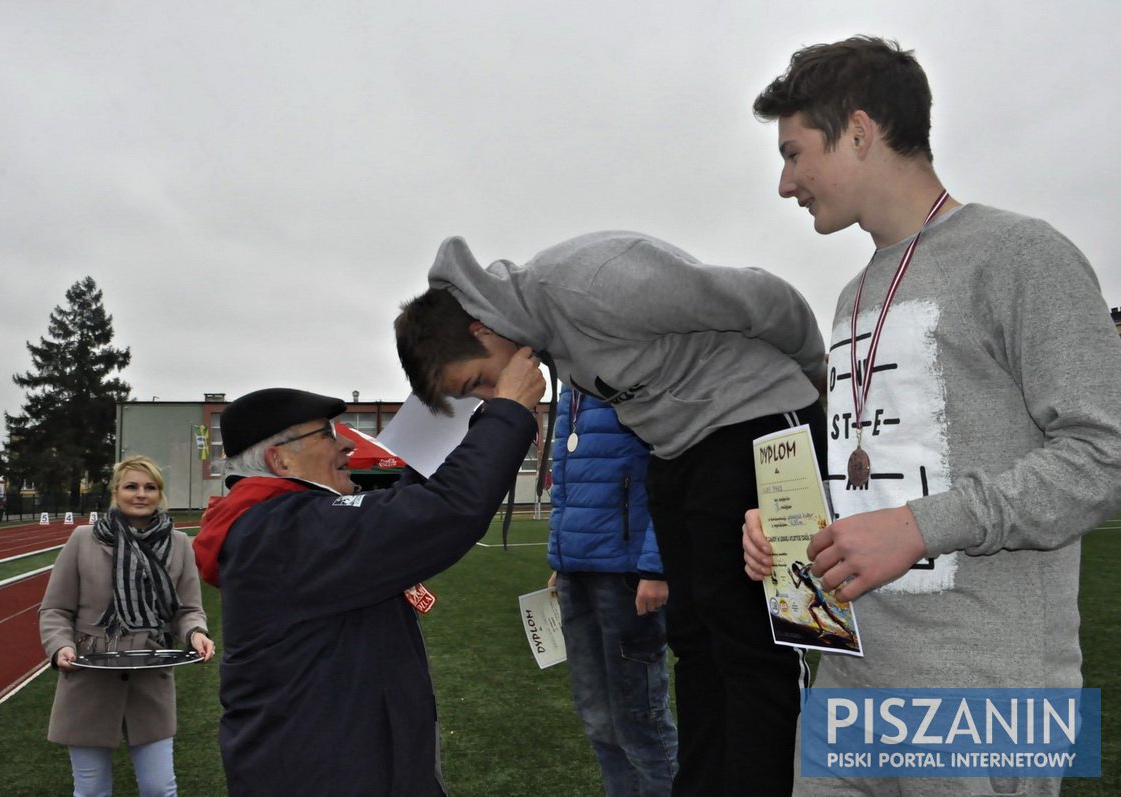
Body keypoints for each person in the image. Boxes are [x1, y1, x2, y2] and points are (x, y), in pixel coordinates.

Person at [744, 35, 1121, 796]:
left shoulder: (1023, 254)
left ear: (858, 129)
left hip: (987, 696)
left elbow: (1103, 458)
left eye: (793, 153)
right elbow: (882, 467)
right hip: (848, 677)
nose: (786, 183)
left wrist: (922, 524)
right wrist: (794, 529)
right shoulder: (851, 295)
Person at [396, 231, 827, 795]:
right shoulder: (541, 337)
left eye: (477, 381)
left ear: (482, 328)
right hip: (678, 451)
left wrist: (817, 384)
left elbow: (766, 299)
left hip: (756, 421)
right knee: (695, 644)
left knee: (751, 643)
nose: (487, 394)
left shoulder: (591, 283)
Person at [192, 363, 544, 795]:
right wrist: (508, 411)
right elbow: (441, 513)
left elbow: (398, 510)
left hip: (334, 766)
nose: (344, 446)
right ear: (279, 459)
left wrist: (447, 406)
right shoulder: (283, 534)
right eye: (325, 435)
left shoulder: (274, 526)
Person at [39, 455, 215, 797]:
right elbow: (55, 609)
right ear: (116, 492)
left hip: (150, 675)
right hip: (89, 674)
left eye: (150, 487)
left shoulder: (179, 544)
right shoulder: (83, 540)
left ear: (160, 494)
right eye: (131, 486)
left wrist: (196, 633)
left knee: (159, 788)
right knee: (91, 791)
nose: (141, 494)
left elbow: (188, 608)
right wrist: (61, 645)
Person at [546, 385, 678, 795]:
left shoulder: (633, 369)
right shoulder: (569, 390)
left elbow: (670, 467)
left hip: (626, 573)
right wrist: (561, 556)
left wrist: (657, 566)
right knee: (598, 721)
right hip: (576, 572)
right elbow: (566, 483)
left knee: (641, 720)